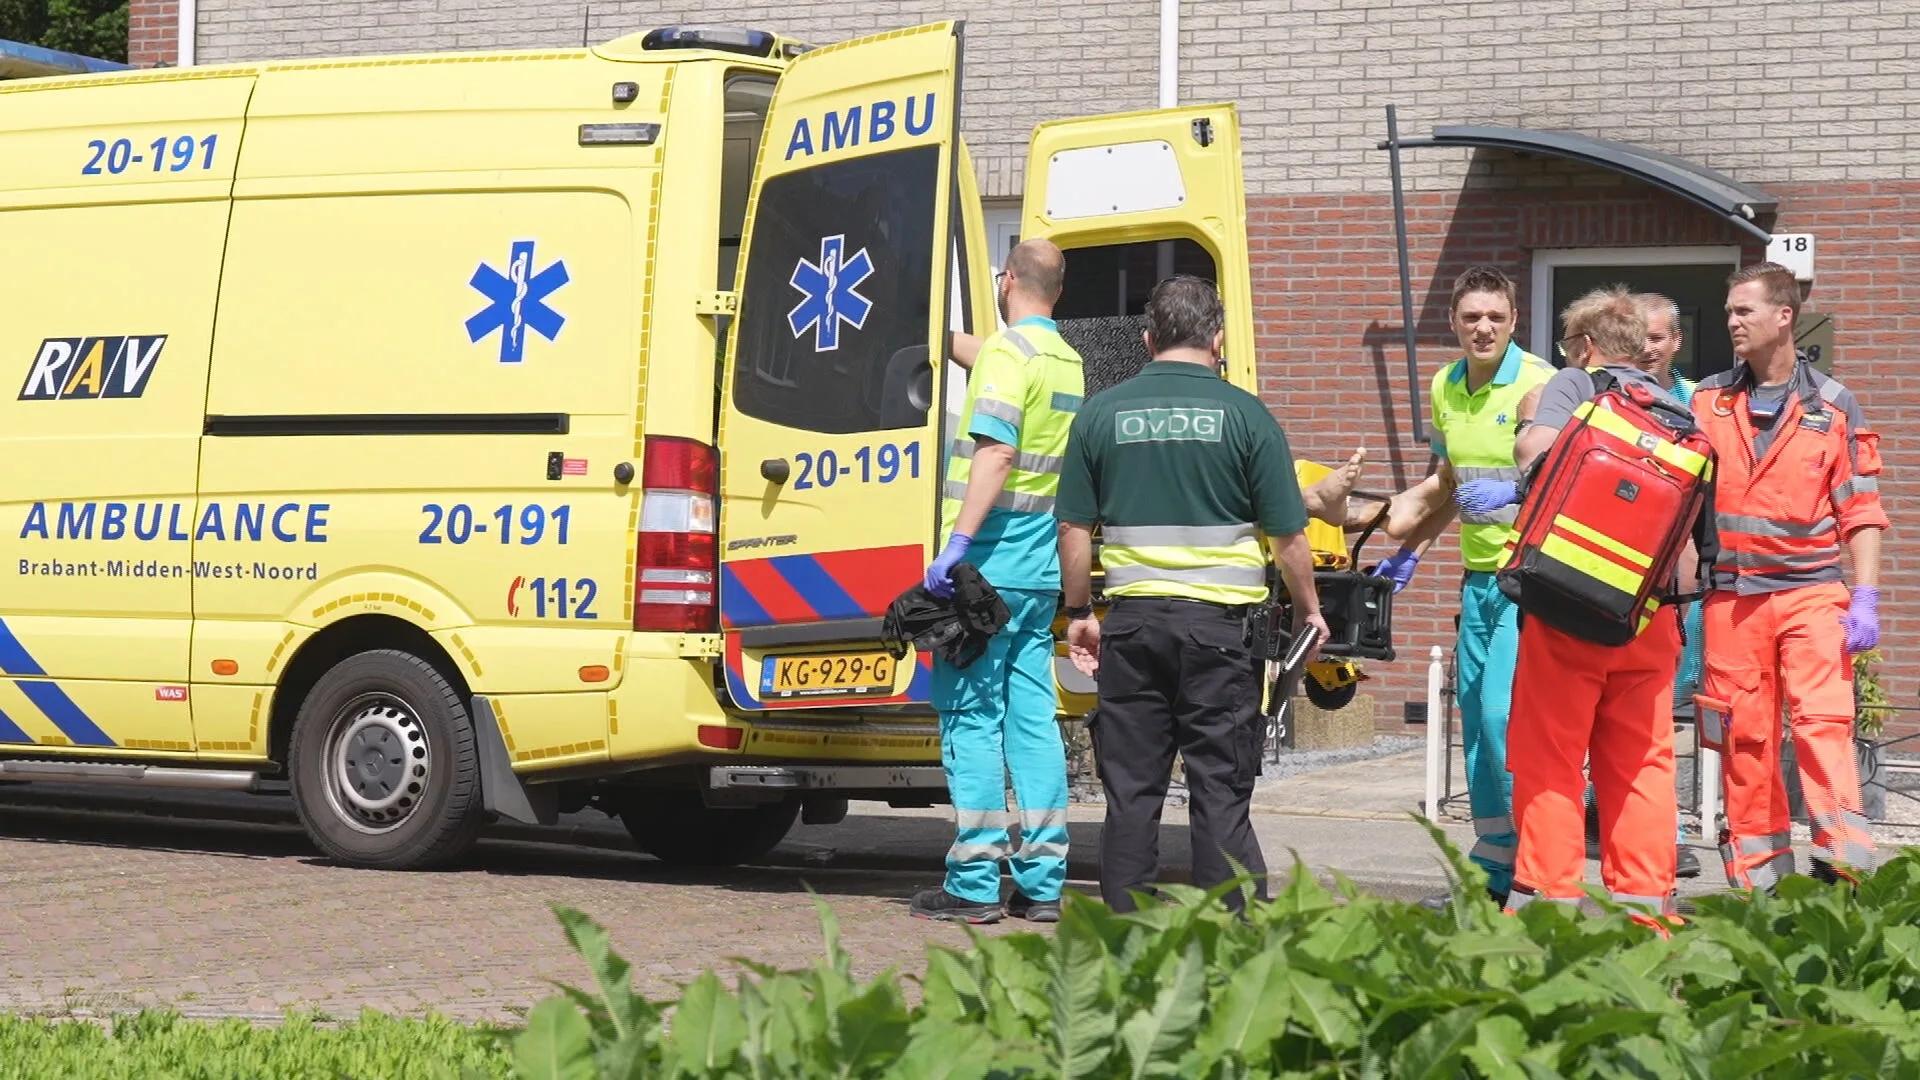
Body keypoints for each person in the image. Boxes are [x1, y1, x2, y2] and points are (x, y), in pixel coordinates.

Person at [1054, 274, 1328, 913]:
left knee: (1131, 795)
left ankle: (1124, 940)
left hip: (1132, 628)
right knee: (1220, 793)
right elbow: (1288, 537)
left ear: (1148, 339)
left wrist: (1077, 614)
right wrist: (1311, 609)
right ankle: (1233, 944)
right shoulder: (1246, 415)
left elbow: (1072, 529)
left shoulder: (1101, 413)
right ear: (1219, 338)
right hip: (1220, 638)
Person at [1464, 286, 1693, 920]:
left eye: (1570, 345)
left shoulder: (1577, 385)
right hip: (1648, 617)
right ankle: (1648, 912)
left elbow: (1535, 453)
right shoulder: (1679, 412)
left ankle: (1549, 908)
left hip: (1569, 609)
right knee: (1644, 764)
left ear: (1587, 347)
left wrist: (1526, 441)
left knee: (1551, 758)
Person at [1692, 262, 1888, 890]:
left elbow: (1861, 508)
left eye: (1743, 311)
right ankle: (1760, 882)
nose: (1732, 322)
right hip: (1731, 601)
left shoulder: (1833, 406)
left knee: (1822, 727)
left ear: (1784, 316)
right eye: (1728, 312)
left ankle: (1843, 870)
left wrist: (1865, 597)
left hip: (1810, 596)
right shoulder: (1706, 401)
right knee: (1743, 741)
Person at [1370, 265, 1555, 906]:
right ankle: (1490, 870)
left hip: (1531, 583)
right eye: (1472, 317)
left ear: (1513, 322)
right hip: (1478, 582)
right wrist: (1413, 550)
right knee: (1475, 726)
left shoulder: (1541, 385)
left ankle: (1537, 860)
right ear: (1453, 322)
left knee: (1505, 722)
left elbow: (1567, 484)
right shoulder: (1445, 385)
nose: (1483, 328)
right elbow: (1451, 481)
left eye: (1496, 318)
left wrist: (1517, 489)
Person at [911, 238, 1085, 924]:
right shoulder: (1063, 359)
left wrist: (955, 545)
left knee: (971, 720)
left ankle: (975, 882)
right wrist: (931, 333)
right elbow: (988, 356)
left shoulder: (1009, 358)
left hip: (985, 574)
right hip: (1039, 573)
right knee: (1033, 725)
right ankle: (1042, 883)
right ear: (1058, 291)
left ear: (1006, 279)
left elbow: (999, 449)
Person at [1578, 293, 1704, 879]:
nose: (1648, 347)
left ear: (1675, 341)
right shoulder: (1600, 392)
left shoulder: (1693, 403)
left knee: (1658, 725)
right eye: (1640, 337)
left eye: (1658, 337)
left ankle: (1664, 836)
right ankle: (1613, 820)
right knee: (1626, 722)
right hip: (1607, 577)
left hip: (1665, 590)